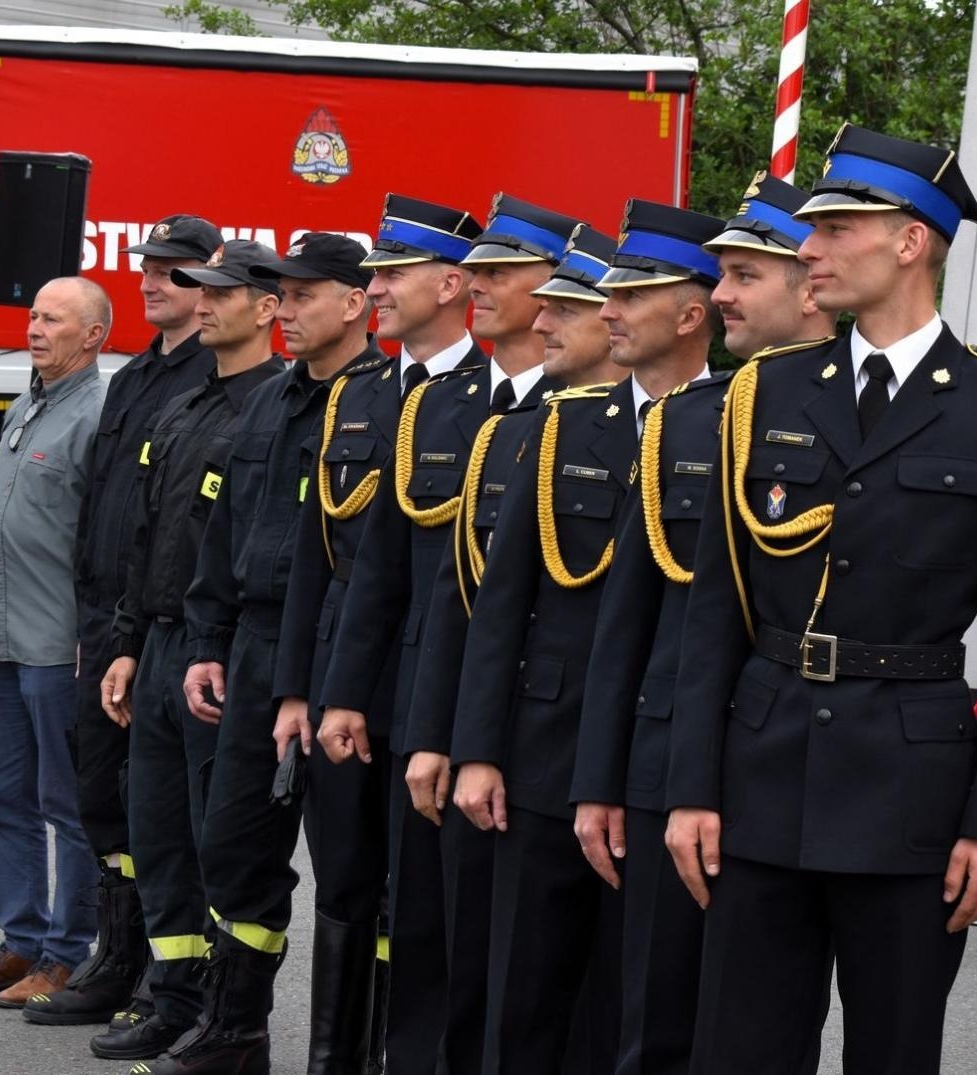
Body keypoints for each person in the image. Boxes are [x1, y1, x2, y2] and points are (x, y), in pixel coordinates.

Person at [665, 124, 977, 1075]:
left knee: (893, 1054)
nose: (810, 247)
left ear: (909, 240)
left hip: (912, 800)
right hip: (761, 781)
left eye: (838, 227)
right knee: (739, 1053)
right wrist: (691, 786)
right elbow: (713, 610)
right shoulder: (764, 392)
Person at [571, 171, 834, 1075]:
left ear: (812, 281)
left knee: (767, 1033)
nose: (721, 295)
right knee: (656, 1023)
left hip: (796, 763)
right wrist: (602, 779)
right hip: (666, 763)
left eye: (745, 275)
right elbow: (627, 626)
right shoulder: (687, 424)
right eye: (717, 276)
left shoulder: (873, 423)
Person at [452, 199, 723, 1075]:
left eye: (629, 294)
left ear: (691, 314)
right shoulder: (566, 425)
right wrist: (479, 748)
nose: (605, 309)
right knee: (523, 996)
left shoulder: (734, 425)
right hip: (545, 750)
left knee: (636, 1004)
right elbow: (503, 605)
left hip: (664, 755)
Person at [147, 234, 383, 1075]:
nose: (284, 309)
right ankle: (236, 1030)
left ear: (356, 303)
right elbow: (225, 534)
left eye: (305, 295)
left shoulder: (386, 400)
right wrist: (207, 642)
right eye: (279, 294)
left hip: (338, 653)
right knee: (236, 844)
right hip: (251, 648)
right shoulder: (272, 401)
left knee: (356, 866)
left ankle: (351, 1052)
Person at [269, 198, 484, 1075]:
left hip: (429, 680)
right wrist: (299, 688)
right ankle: (335, 1059)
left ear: (452, 282)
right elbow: (316, 555)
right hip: (345, 677)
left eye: (395, 273)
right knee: (346, 879)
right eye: (376, 271)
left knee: (419, 895)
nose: (378, 287)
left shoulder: (488, 401)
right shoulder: (360, 395)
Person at [396, 197, 589, 1075]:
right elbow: (455, 603)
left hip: (551, 736)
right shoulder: (478, 414)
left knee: (536, 981)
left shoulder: (586, 419)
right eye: (475, 270)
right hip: (470, 721)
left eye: (503, 273)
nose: (479, 286)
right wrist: (439, 732)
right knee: (446, 941)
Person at [86, 240, 285, 1062]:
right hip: (162, 644)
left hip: (222, 652)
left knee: (220, 838)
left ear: (266, 308)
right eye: (196, 289)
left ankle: (221, 1011)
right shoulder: (188, 402)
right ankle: (171, 995)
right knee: (159, 829)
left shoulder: (273, 406)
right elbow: (146, 538)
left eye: (219, 292)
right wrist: (128, 642)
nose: (200, 303)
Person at [29, 214, 219, 1028]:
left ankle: (162, 974)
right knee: (102, 792)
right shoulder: (137, 375)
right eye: (148, 268)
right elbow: (107, 502)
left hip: (156, 623)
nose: (152, 282)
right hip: (105, 614)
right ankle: (117, 952)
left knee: (161, 805)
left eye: (173, 272)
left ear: (211, 282)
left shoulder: (212, 377)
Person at [0, 276, 112, 1008]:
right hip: (6, 638)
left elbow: (106, 543)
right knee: (3, 795)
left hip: (59, 642)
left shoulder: (100, 416)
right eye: (33, 315)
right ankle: (20, 941)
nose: (35, 328)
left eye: (53, 319)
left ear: (94, 335)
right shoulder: (24, 406)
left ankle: (67, 955)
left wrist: (92, 636)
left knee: (63, 803)